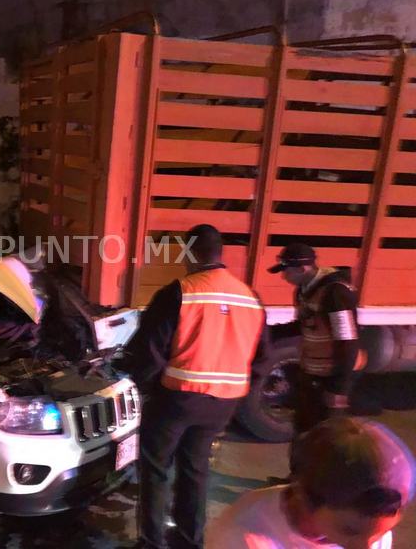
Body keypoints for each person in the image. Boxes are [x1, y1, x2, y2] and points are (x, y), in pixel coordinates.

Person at [113, 224, 269, 549]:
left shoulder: (180, 292)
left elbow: (149, 352)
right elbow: (262, 358)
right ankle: (189, 540)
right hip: (223, 404)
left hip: (176, 400)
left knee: (156, 469)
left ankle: (152, 542)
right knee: (195, 470)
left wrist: (139, 383)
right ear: (220, 253)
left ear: (189, 253)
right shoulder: (250, 297)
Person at [208, 417, 416, 548]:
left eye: (380, 533)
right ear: (303, 497)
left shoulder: (365, 527)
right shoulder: (242, 538)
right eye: (349, 531)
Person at [268, 243, 366, 436]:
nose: (283, 276)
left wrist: (338, 389)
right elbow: (303, 325)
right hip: (311, 375)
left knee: (325, 438)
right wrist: (266, 332)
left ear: (302, 269)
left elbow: (347, 341)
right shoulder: (304, 290)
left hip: (330, 379)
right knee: (304, 431)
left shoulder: (335, 294)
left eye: (286, 271)